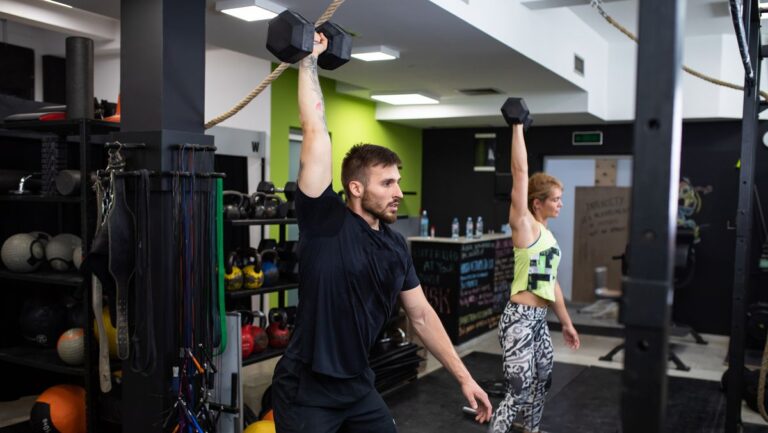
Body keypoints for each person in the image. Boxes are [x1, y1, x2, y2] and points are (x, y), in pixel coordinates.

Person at [271, 31, 493, 433]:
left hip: (358, 385)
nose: (397, 192)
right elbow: (315, 130)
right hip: (307, 389)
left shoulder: (395, 245)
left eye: (397, 181)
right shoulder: (324, 221)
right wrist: (309, 60)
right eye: (387, 183)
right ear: (356, 188)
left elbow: (422, 315)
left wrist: (463, 376)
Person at [489, 122, 580, 433]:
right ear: (537, 202)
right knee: (517, 390)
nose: (560, 204)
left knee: (543, 380)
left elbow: (551, 284)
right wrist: (517, 127)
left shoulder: (549, 237)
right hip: (519, 320)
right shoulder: (524, 225)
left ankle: (532, 429)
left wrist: (566, 322)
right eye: (555, 199)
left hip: (540, 319)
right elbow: (519, 172)